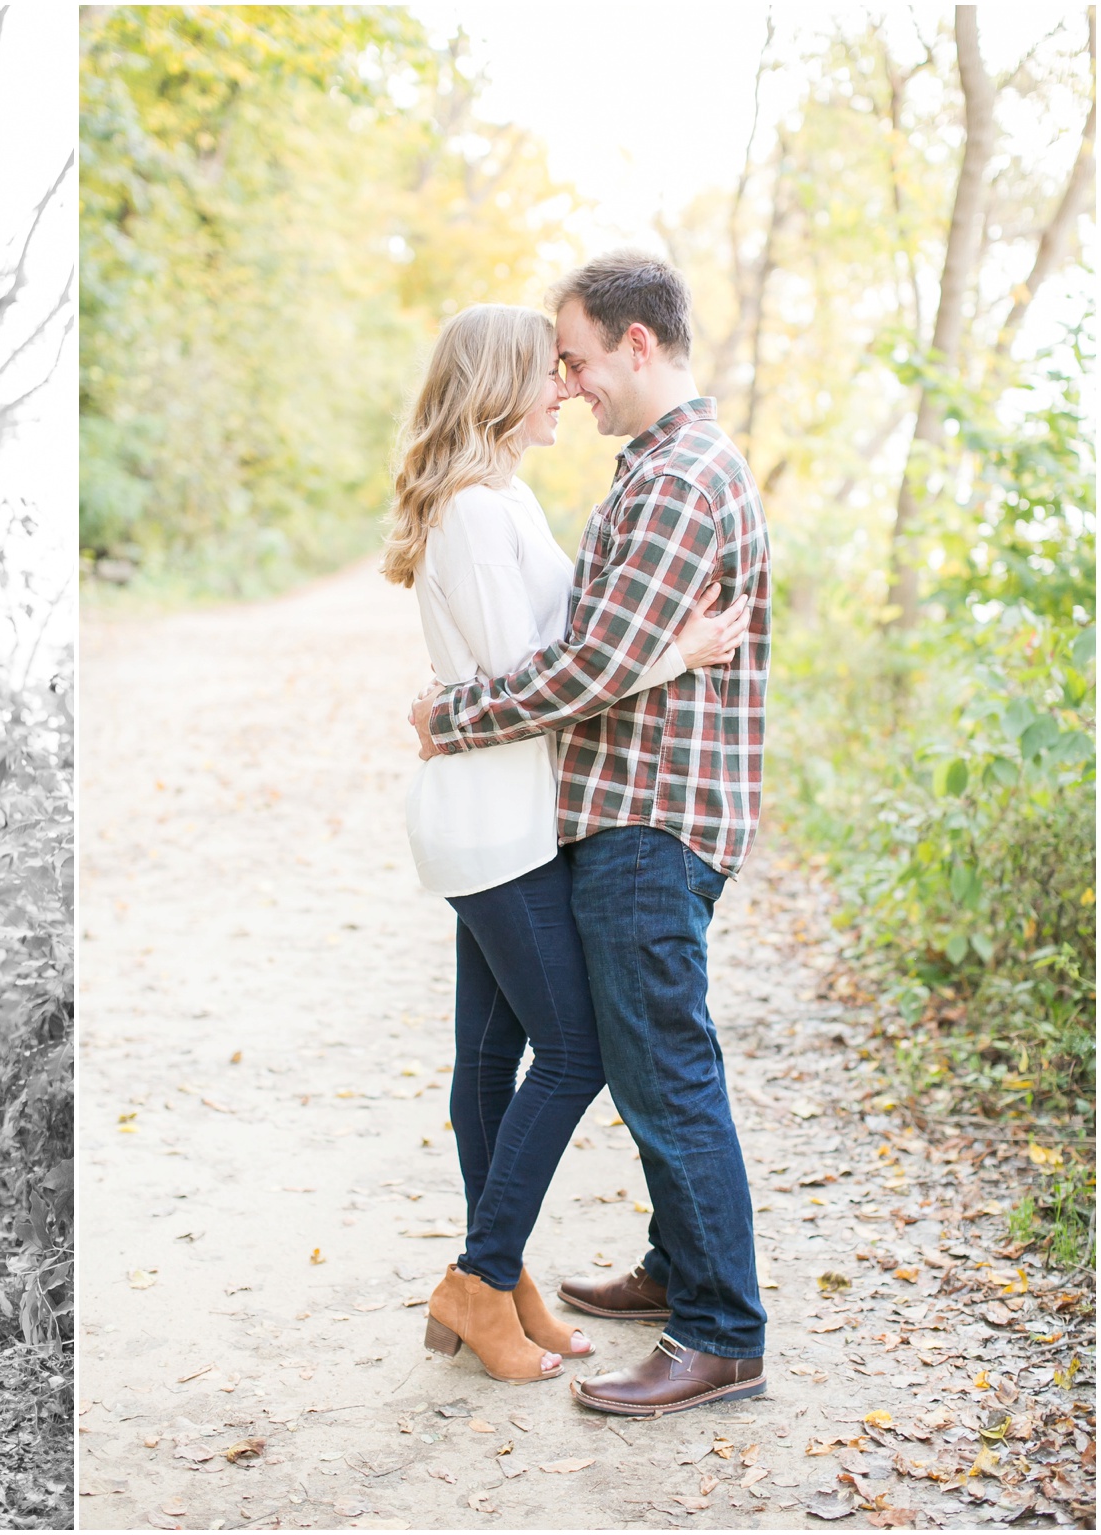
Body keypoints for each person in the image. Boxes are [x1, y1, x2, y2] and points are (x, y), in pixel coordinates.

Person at [413, 251, 773, 1416]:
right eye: (547, 365)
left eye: (574, 357)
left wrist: (448, 715)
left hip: (646, 815)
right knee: (616, 1056)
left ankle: (718, 1328)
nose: (566, 383)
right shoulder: (647, 472)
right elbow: (590, 642)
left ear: (633, 343)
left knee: (656, 1067)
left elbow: (593, 661)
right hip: (601, 811)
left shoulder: (671, 480)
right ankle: (675, 1270)